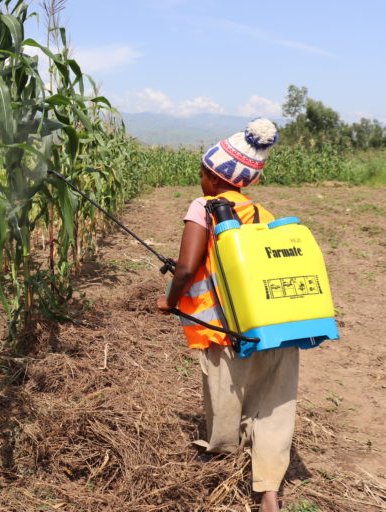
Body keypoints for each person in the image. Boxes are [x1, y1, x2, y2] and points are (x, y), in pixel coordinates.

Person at [156, 118, 298, 512]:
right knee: (271, 405)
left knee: (227, 399)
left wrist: (170, 301)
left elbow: (186, 270)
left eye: (202, 173)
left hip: (226, 332)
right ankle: (268, 490)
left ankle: (222, 460)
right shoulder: (263, 213)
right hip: (274, 327)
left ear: (214, 177)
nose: (199, 179)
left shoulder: (204, 206)